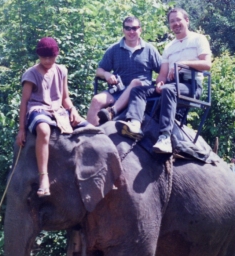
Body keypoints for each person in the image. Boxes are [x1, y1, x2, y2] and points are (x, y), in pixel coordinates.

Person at [120, 8, 212, 153]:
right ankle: (135, 124)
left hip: (191, 85)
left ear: (187, 20)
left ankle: (165, 137)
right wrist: (159, 83)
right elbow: (162, 74)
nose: (175, 24)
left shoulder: (198, 39)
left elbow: (207, 64)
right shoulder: (169, 47)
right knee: (138, 91)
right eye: (172, 21)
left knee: (168, 90)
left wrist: (184, 64)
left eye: (178, 20)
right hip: (172, 85)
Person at [16, 37, 86, 197]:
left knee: (90, 128)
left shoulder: (61, 70)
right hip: (38, 108)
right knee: (44, 129)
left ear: (57, 54)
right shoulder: (31, 73)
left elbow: (65, 98)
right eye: (44, 57)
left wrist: (73, 110)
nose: (47, 60)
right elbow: (24, 101)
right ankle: (44, 177)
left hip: (58, 110)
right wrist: (21, 129)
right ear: (38, 56)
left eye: (51, 57)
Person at [87, 16, 162, 126]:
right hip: (118, 90)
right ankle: (88, 135)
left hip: (140, 94)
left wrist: (160, 82)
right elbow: (99, 70)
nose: (131, 31)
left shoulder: (150, 50)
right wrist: (106, 74)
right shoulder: (114, 49)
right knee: (96, 100)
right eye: (127, 28)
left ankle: (112, 112)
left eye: (134, 28)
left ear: (140, 30)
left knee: (135, 82)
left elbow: (163, 70)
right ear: (123, 30)